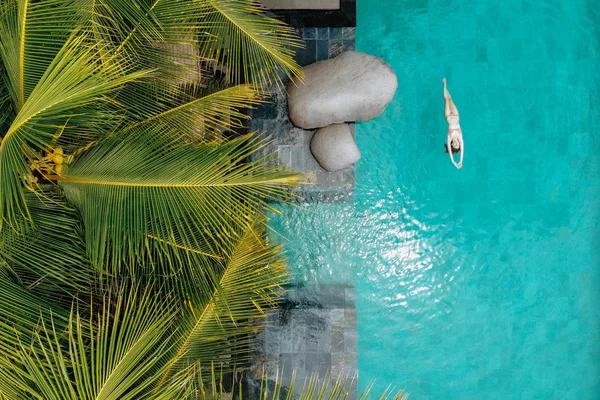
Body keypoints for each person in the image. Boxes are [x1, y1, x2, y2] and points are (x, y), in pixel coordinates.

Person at [443, 78, 464, 169]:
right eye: (458, 145)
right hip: (456, 115)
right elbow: (462, 149)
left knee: (446, 101)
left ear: (452, 145)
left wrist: (453, 161)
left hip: (448, 116)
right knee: (450, 100)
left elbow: (451, 153)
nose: (457, 144)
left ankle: (444, 85)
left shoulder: (449, 137)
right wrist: (460, 161)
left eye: (455, 145)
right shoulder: (460, 137)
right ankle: (446, 90)